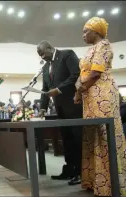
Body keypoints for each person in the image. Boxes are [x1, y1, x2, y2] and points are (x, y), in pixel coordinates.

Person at [74, 17, 126, 196]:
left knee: (104, 134)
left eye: (85, 31)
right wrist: (78, 91)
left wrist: (80, 88)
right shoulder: (90, 50)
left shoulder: (104, 45)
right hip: (90, 95)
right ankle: (95, 181)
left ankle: (110, 183)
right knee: (92, 134)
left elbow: (96, 73)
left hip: (102, 94)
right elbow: (83, 73)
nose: (83, 35)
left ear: (96, 31)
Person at [37, 40, 82, 185]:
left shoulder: (66, 55)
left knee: (77, 140)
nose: (42, 56)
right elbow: (45, 88)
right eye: (39, 55)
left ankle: (81, 172)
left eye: (43, 53)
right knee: (67, 140)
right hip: (60, 108)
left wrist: (59, 89)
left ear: (50, 48)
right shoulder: (45, 67)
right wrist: (43, 107)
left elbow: (76, 75)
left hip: (74, 105)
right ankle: (69, 169)